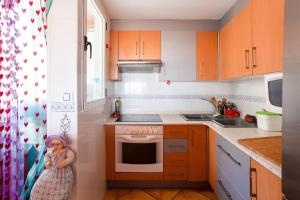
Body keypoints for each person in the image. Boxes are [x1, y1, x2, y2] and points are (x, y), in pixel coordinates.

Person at [30, 134, 75, 200]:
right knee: (43, 184)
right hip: (51, 170)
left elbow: (71, 157)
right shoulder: (52, 152)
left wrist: (64, 162)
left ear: (63, 144)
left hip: (63, 172)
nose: (55, 146)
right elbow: (47, 156)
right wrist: (47, 162)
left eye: (57, 144)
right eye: (53, 144)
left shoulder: (66, 151)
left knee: (60, 189)